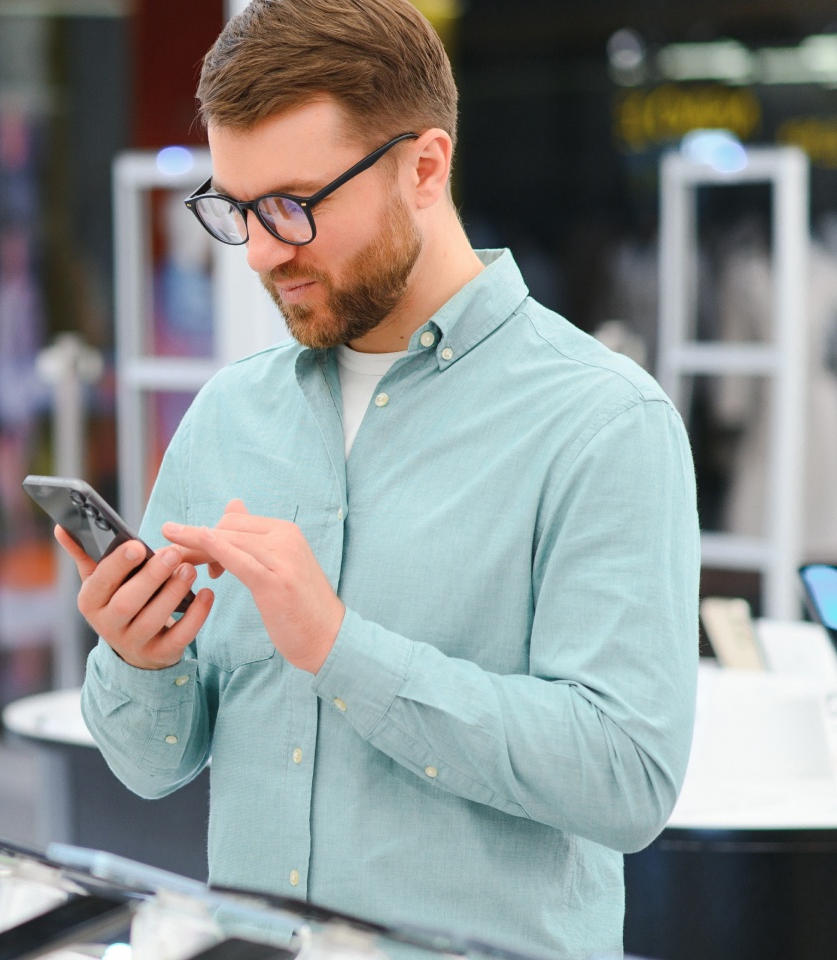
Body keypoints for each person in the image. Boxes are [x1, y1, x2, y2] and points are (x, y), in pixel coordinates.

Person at [64, 1, 697, 957]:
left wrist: (340, 648)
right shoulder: (229, 417)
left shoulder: (604, 423)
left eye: (293, 204)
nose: (266, 252)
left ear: (425, 167)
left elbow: (626, 779)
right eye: (236, 210)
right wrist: (140, 659)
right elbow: (154, 766)